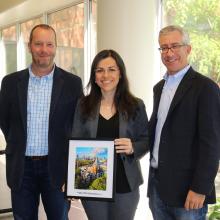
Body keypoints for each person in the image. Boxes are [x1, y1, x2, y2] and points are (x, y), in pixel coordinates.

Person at [0, 24, 83, 220]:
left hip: (56, 169)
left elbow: (77, 126)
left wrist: (73, 171)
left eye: (49, 44)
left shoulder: (73, 83)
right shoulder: (10, 82)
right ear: (30, 46)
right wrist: (16, 142)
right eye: (38, 44)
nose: (43, 50)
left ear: (55, 47)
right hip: (22, 168)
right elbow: (4, 120)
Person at [148, 25, 220, 220]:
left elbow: (211, 145)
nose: (168, 53)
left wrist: (199, 188)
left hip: (189, 192)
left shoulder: (206, 88)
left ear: (188, 49)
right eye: (163, 48)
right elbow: (157, 133)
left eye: (174, 46)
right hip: (158, 187)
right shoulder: (159, 88)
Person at [72, 49, 148, 220]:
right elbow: (74, 141)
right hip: (92, 182)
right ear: (94, 75)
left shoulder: (136, 105)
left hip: (125, 182)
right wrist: (72, 180)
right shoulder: (83, 105)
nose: (105, 75)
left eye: (111, 69)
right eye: (100, 70)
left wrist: (133, 147)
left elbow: (146, 139)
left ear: (120, 73)